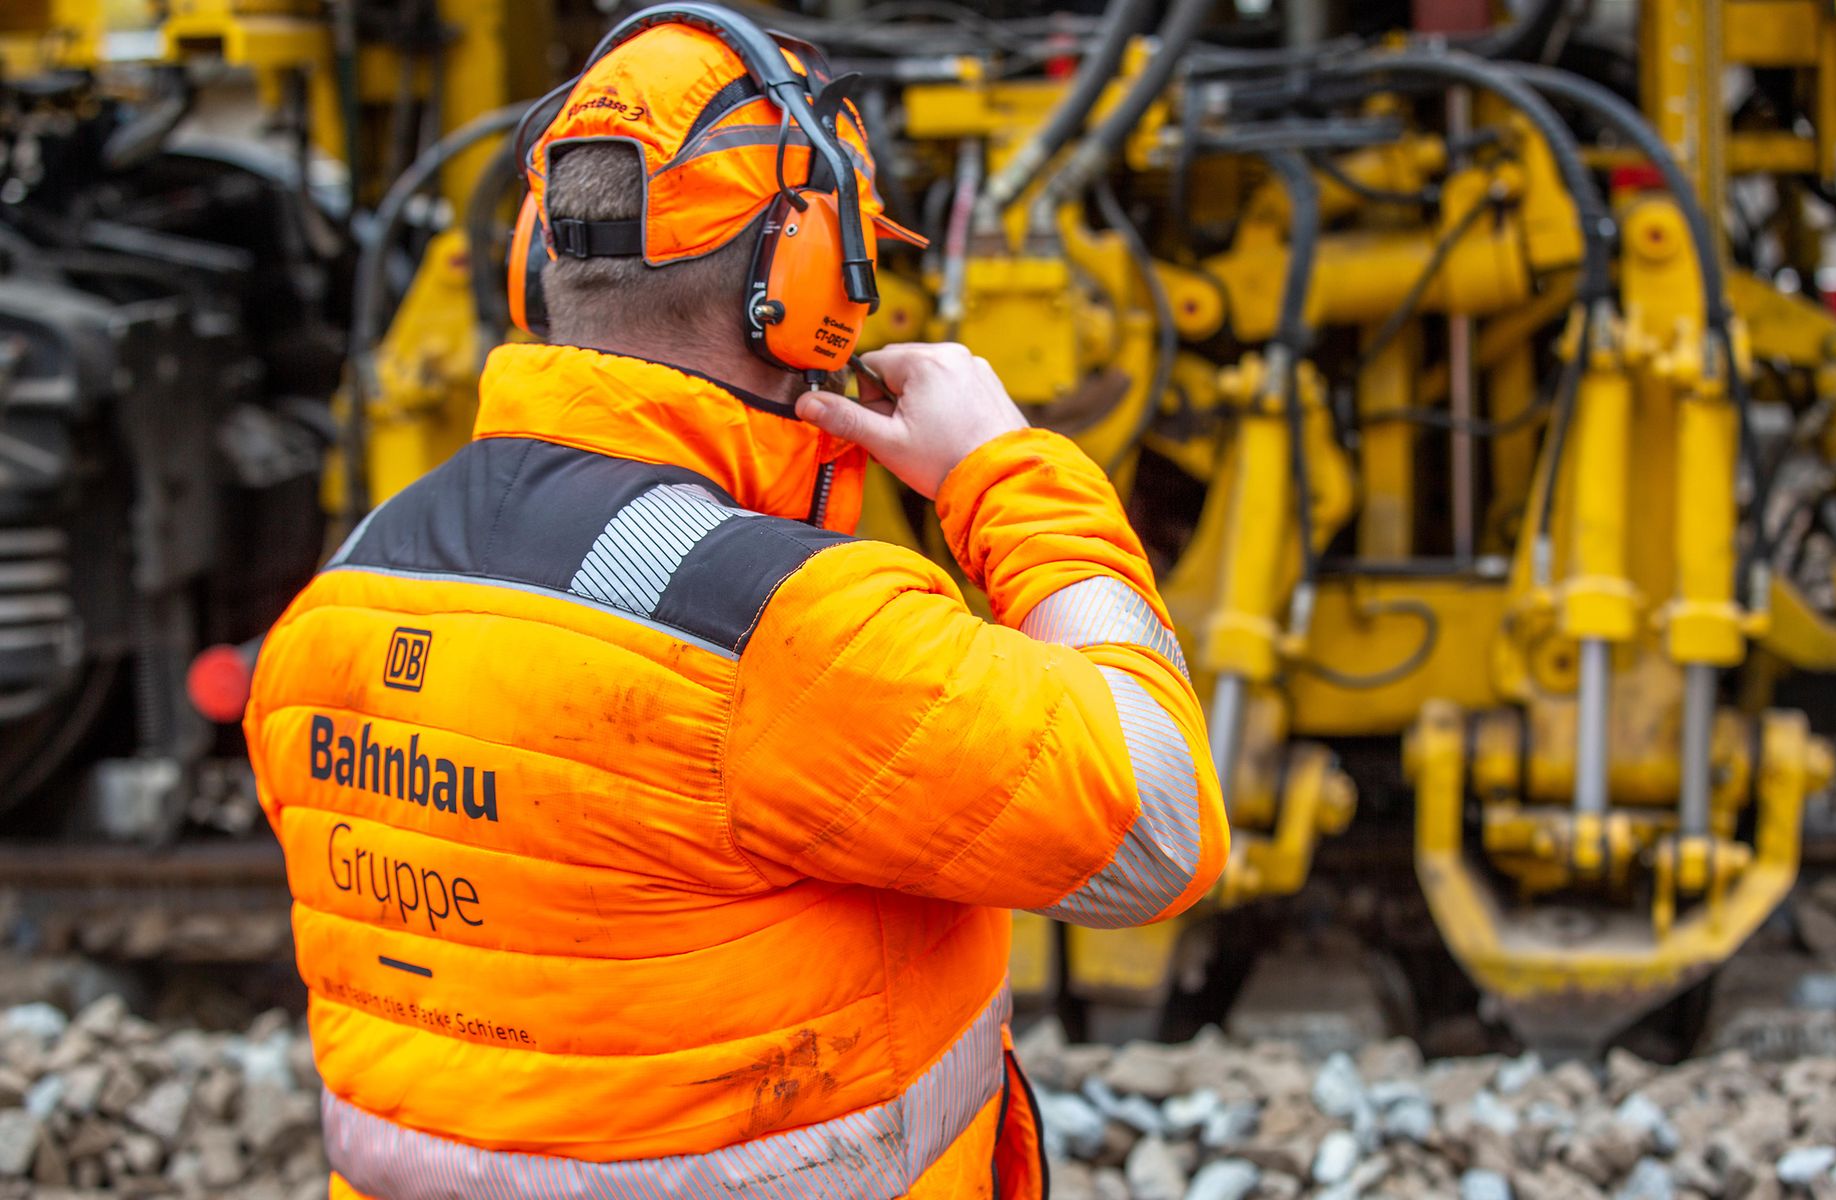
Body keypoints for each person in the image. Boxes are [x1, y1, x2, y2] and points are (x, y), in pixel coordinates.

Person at [243, 10, 1226, 1199]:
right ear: (807, 287)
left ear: (532, 264)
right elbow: (1158, 819)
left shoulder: (334, 602)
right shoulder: (783, 631)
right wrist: (1002, 472)